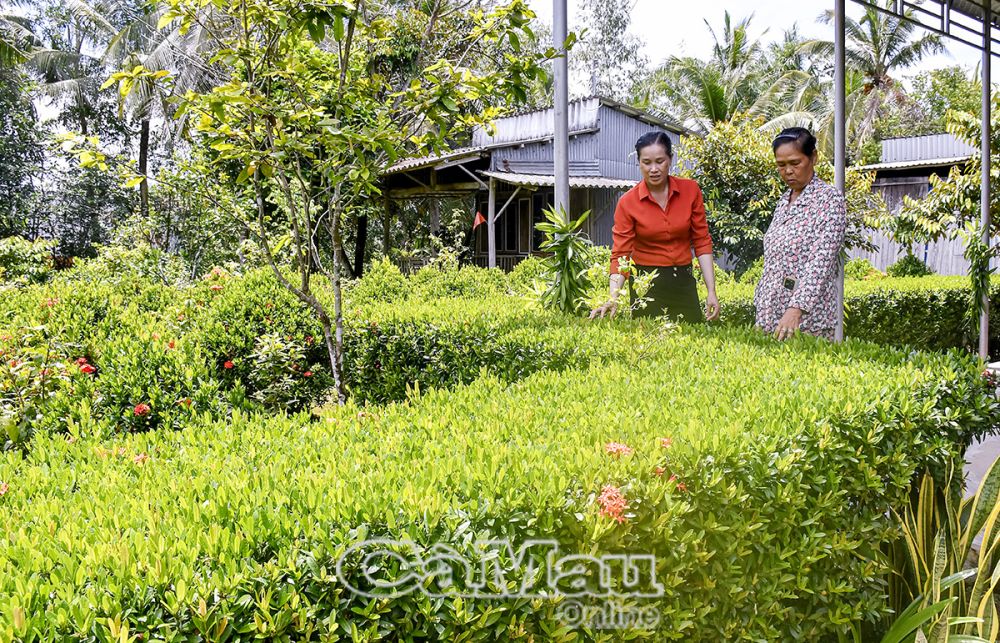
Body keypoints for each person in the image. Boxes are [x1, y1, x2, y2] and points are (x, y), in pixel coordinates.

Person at [589, 131, 720, 322]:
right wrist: (613, 298)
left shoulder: (690, 190)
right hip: (646, 284)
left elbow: (701, 241)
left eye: (660, 161)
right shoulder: (628, 202)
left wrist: (711, 291)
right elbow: (621, 255)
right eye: (646, 162)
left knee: (691, 341)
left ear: (670, 159)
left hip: (682, 280)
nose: (653, 169)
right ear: (639, 163)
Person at [755, 127, 847, 341]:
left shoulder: (829, 200)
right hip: (769, 313)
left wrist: (796, 309)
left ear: (813, 157)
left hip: (806, 319)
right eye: (781, 165)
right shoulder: (783, 201)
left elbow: (821, 262)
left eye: (795, 163)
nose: (788, 171)